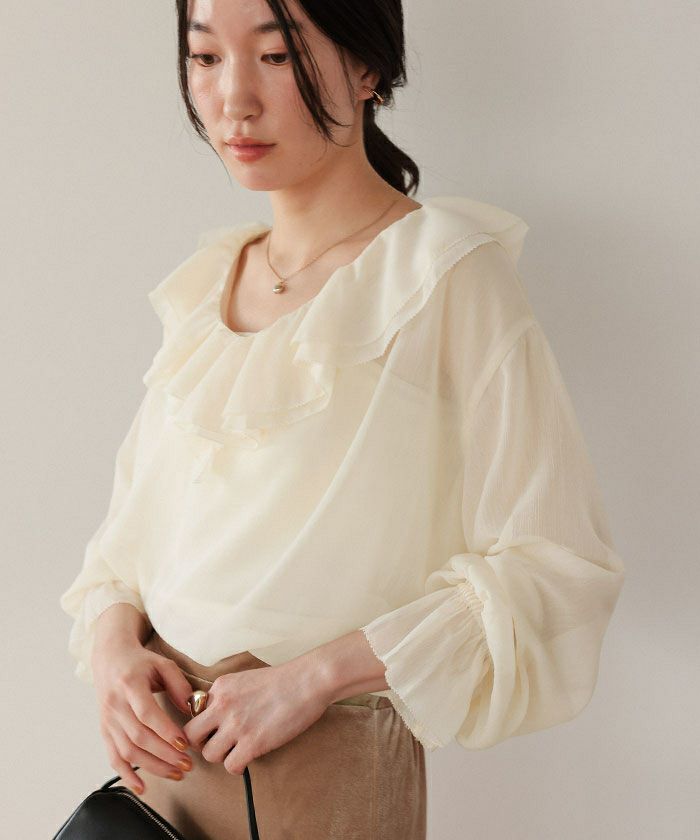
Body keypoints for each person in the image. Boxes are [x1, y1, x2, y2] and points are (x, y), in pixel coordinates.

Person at [59, 0, 626, 838]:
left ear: (368, 68)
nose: (234, 100)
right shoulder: (208, 288)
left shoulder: (445, 277)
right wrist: (113, 649)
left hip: (326, 781)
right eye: (206, 58)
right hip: (160, 783)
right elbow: (126, 548)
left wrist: (316, 677)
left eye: (277, 56)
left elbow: (554, 564)